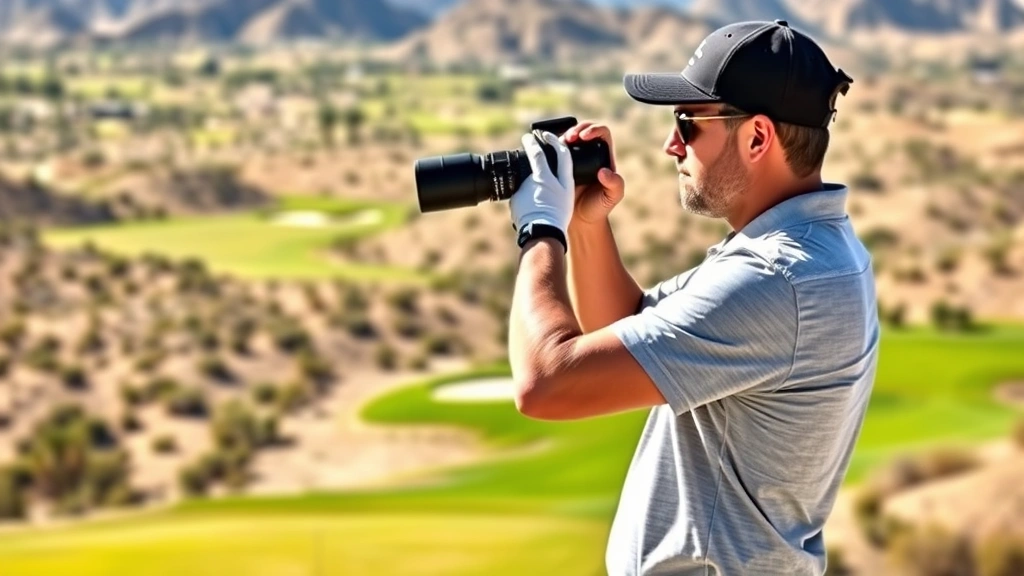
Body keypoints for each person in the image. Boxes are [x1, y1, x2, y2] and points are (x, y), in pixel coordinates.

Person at [506, 19, 878, 576]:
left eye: (688, 123)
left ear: (757, 137)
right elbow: (625, 328)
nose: (670, 144)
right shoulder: (807, 250)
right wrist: (587, 223)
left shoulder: (776, 278)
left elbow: (546, 384)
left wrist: (541, 229)